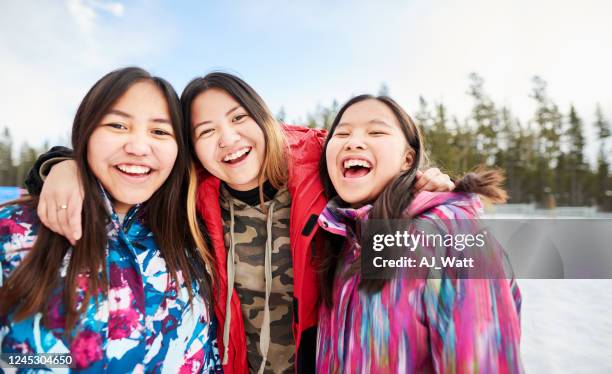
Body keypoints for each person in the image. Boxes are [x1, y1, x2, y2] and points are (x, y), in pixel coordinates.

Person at [25, 73, 455, 373]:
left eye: (237, 119)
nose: (227, 140)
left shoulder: (321, 169)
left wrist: (420, 185)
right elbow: (127, 162)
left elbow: (371, 156)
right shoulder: (193, 194)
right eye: (205, 131)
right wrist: (62, 164)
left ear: (263, 119)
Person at [0, 67, 221, 372]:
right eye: (118, 125)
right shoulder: (13, 231)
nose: (139, 148)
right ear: (86, 132)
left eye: (159, 131)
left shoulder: (194, 240)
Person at [315, 94, 523, 373]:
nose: (353, 141)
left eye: (376, 131)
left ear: (407, 159)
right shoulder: (342, 239)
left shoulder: (449, 234)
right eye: (341, 134)